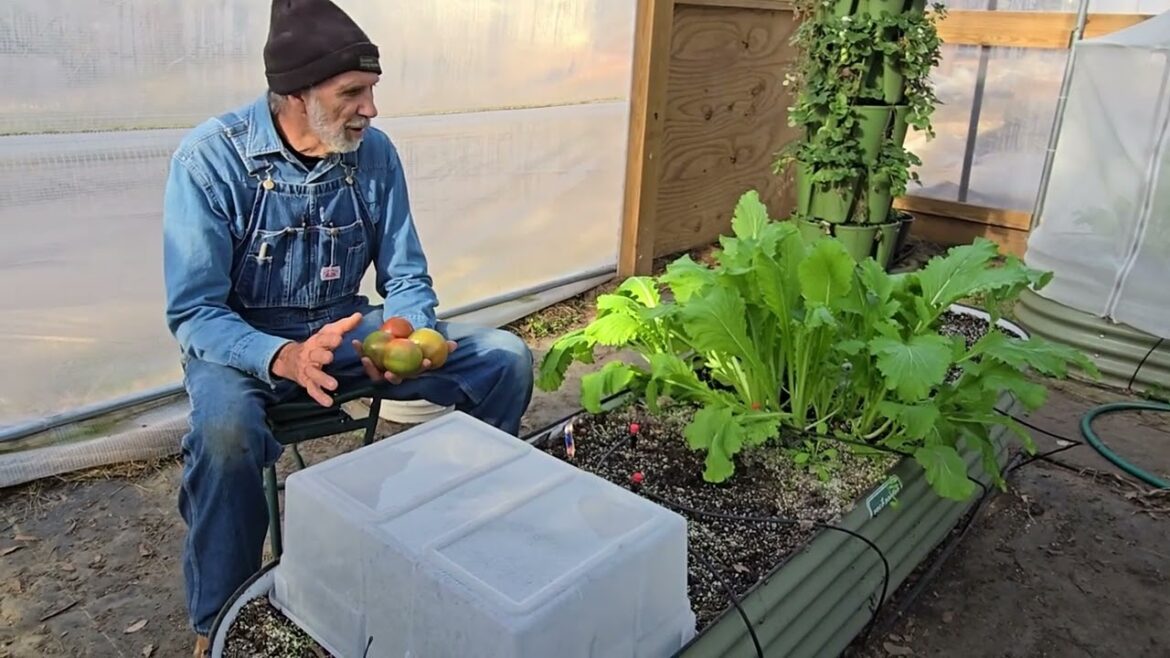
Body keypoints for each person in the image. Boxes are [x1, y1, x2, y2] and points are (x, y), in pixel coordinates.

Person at [161, 0, 535, 654]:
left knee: (504, 358)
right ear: (295, 95)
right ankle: (219, 620)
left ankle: (444, 537)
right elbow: (195, 312)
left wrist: (407, 334)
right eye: (352, 93)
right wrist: (282, 356)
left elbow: (407, 275)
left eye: (372, 90)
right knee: (225, 434)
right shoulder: (209, 161)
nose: (372, 109)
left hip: (348, 334)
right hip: (244, 351)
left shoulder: (374, 155)